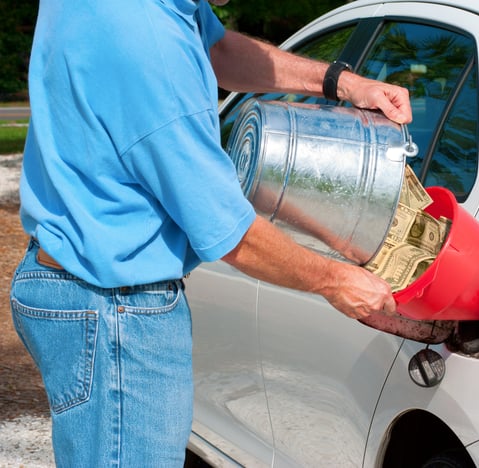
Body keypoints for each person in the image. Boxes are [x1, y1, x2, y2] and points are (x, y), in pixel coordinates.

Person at [9, 0, 412, 466]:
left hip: (70, 281)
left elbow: (216, 49)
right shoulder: (150, 53)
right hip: (117, 313)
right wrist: (336, 280)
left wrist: (343, 83)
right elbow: (228, 231)